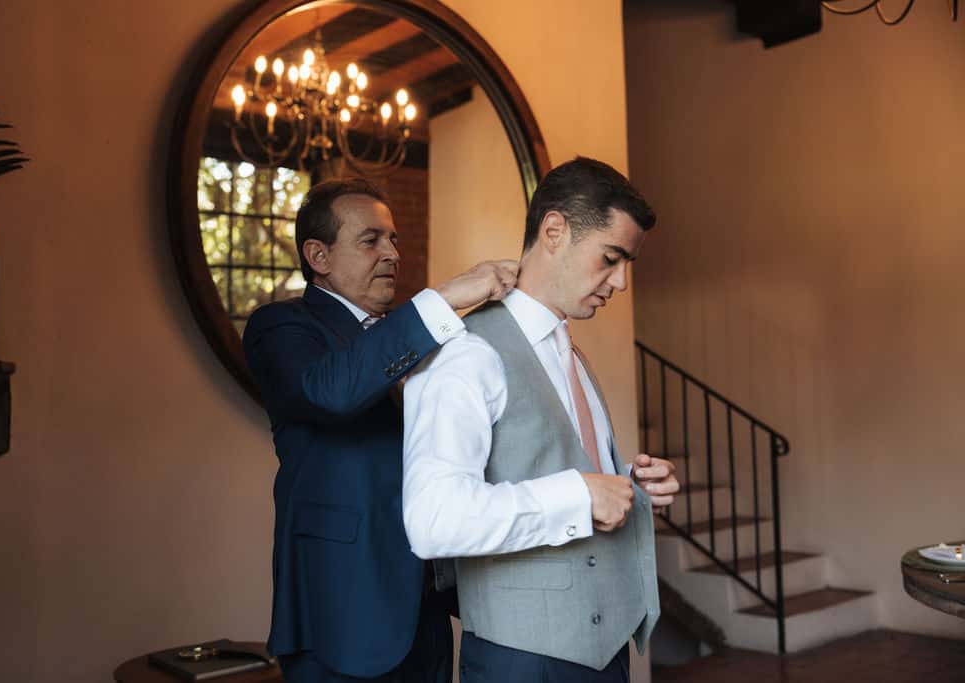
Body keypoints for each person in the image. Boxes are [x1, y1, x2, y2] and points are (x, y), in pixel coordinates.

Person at [402, 157, 681, 683]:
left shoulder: (571, 354)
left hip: (607, 652)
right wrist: (578, 495)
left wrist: (631, 485)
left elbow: (558, 469)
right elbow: (434, 519)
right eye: (611, 258)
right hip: (523, 663)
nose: (622, 282)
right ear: (554, 231)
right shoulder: (467, 355)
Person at [243, 177, 518, 683]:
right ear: (318, 256)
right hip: (342, 612)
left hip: (430, 608)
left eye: (393, 239)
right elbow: (331, 392)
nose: (392, 253)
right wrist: (444, 297)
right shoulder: (280, 327)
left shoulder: (419, 336)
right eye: (371, 240)